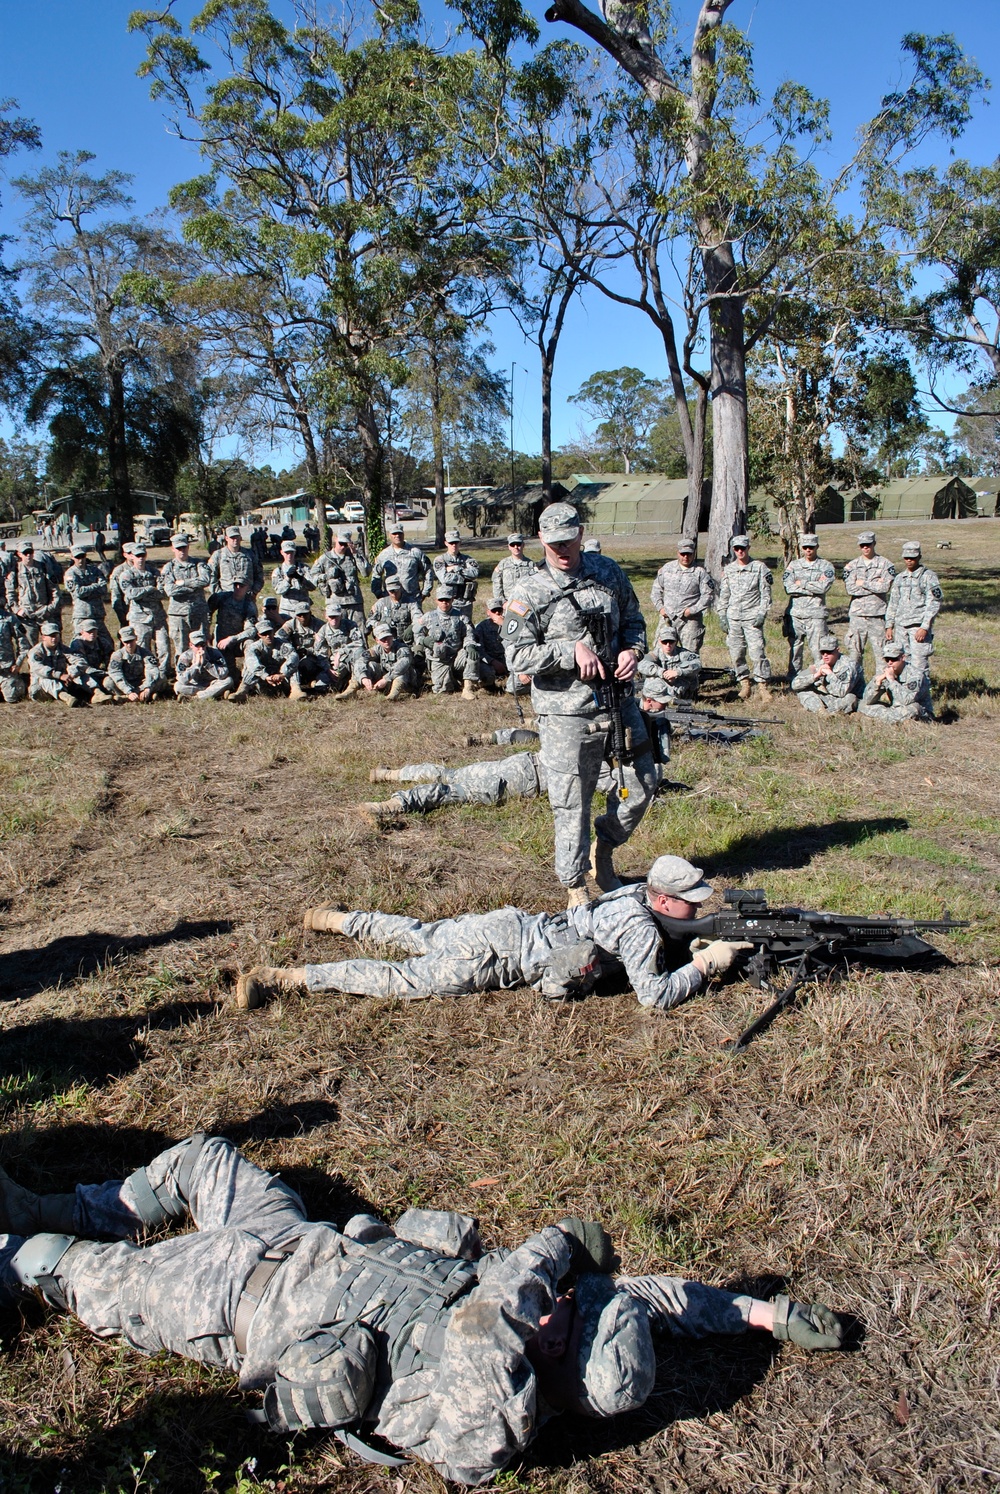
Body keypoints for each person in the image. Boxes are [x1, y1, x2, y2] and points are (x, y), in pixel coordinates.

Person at [0, 1135, 842, 1487]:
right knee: (202, 1159)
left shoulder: (487, 1416)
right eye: (569, 1307)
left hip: (228, 1300)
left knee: (54, 1270)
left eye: (558, 1326)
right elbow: (652, 1298)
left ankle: (30, 1244)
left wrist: (553, 1253)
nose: (556, 1309)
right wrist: (763, 1314)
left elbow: (514, 1296)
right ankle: (58, 1205)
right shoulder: (559, 1326)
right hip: (300, 1239)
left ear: (557, 1373)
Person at [239, 855, 752, 1013]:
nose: (696, 905)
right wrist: (705, 965)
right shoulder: (641, 930)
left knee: (418, 933)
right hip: (491, 960)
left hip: (508, 923)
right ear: (664, 899)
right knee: (398, 978)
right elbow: (655, 997)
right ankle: (285, 977)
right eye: (690, 900)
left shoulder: (631, 894)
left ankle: (334, 919)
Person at [504, 503, 656, 905]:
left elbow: (635, 622)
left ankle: (602, 849)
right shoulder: (528, 592)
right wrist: (569, 651)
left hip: (617, 701)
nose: (562, 550)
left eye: (569, 541)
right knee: (572, 800)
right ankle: (575, 884)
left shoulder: (607, 572)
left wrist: (632, 651)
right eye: (553, 543)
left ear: (580, 532)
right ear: (541, 540)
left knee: (643, 783)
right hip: (566, 712)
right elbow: (516, 657)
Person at [716, 536, 773, 703]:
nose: (740, 551)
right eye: (736, 549)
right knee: (737, 653)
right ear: (733, 550)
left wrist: (762, 613)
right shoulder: (729, 570)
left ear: (748, 548)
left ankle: (762, 686)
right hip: (734, 618)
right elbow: (724, 595)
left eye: (743, 548)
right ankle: (745, 684)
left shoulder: (759, 568)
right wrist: (722, 615)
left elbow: (766, 595)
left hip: (752, 617)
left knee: (757, 652)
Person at [884, 541, 942, 682]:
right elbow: (893, 602)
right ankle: (904, 692)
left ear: (919, 557)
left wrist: (924, 627)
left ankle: (922, 696)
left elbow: (934, 602)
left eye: (913, 558)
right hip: (901, 627)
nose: (909, 561)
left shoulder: (928, 577)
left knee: (919, 664)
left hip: (917, 627)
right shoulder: (900, 578)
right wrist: (889, 625)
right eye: (906, 558)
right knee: (902, 662)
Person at [413, 585, 481, 698]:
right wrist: (424, 640)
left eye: (447, 600)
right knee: (442, 690)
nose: (444, 602)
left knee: (472, 655)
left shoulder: (461, 617)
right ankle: (453, 679)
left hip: (456, 656)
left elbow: (469, 634)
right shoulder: (428, 617)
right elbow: (417, 633)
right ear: (436, 600)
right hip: (438, 658)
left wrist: (470, 645)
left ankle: (467, 688)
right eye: (441, 600)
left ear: (452, 600)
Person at [782, 535, 835, 677]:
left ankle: (820, 679)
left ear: (817, 547)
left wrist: (802, 583)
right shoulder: (794, 565)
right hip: (796, 614)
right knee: (795, 648)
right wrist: (813, 588)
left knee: (818, 649)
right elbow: (788, 587)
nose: (808, 550)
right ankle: (794, 678)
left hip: (816, 615)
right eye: (805, 547)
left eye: (811, 547)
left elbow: (823, 588)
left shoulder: (826, 566)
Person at [843, 531, 895, 674]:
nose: (865, 548)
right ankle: (856, 688)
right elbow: (850, 588)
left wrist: (863, 583)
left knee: (882, 655)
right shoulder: (851, 566)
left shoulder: (885, 564)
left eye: (868, 544)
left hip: (877, 615)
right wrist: (874, 585)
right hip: (857, 616)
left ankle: (882, 688)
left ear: (874, 544)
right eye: (862, 545)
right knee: (854, 655)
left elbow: (885, 587)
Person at [650, 541, 714, 655]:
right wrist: (660, 608)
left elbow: (708, 595)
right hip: (667, 618)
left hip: (690, 620)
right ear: (677, 553)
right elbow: (656, 591)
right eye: (683, 554)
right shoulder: (667, 569)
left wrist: (692, 610)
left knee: (690, 653)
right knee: (660, 651)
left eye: (689, 554)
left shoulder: (700, 572)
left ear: (693, 553)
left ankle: (685, 673)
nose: (686, 557)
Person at [160, 534, 212, 663]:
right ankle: (182, 675)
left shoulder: (199, 563)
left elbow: (205, 580)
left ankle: (202, 672)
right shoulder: (169, 568)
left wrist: (182, 583)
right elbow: (170, 590)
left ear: (188, 547)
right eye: (178, 548)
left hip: (198, 611)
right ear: (173, 549)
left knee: (201, 645)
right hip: (178, 614)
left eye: (184, 547)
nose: (181, 551)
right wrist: (193, 586)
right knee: (181, 647)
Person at [857, 640, 934, 722]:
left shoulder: (915, 675)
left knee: (912, 709)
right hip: (895, 709)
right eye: (887, 659)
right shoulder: (886, 671)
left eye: (893, 659)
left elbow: (906, 700)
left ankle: (884, 718)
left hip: (919, 712)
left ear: (903, 658)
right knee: (862, 705)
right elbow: (867, 700)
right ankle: (890, 717)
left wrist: (891, 680)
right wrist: (877, 683)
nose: (889, 663)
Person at [231, 619, 305, 701]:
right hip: (262, 681)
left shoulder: (284, 644)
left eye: (269, 632)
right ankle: (242, 692)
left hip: (281, 679)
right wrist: (265, 676)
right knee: (250, 667)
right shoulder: (253, 647)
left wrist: (282, 674)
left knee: (293, 665)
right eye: (264, 634)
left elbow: (293, 657)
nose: (268, 636)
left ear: (273, 632)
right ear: (259, 635)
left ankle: (295, 691)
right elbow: (252, 663)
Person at [340, 622, 415, 700]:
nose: (386, 641)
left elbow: (402, 665)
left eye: (388, 637)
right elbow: (360, 661)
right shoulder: (377, 649)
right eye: (383, 639)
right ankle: (350, 691)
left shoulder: (402, 648)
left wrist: (386, 679)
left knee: (401, 672)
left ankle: (393, 695)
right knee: (368, 665)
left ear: (392, 636)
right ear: (377, 640)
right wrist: (363, 678)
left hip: (406, 682)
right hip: (385, 682)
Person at [309, 528, 369, 626]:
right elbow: (313, 577)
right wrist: (327, 576)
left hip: (354, 601)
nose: (342, 547)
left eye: (345, 544)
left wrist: (356, 554)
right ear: (335, 539)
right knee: (338, 633)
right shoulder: (325, 558)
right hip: (334, 603)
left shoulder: (354, 555)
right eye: (340, 543)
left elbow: (365, 572)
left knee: (360, 632)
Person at [790, 634, 861, 714]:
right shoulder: (819, 664)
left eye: (829, 652)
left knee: (851, 698)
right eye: (823, 652)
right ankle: (821, 711)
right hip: (829, 698)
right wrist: (816, 675)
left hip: (846, 699)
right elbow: (794, 684)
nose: (825, 655)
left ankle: (830, 713)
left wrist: (830, 674)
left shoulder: (849, 665)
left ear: (837, 650)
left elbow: (842, 692)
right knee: (803, 691)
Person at [7, 540, 59, 646]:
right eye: (25, 553)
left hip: (44, 613)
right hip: (27, 615)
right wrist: (17, 610)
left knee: (53, 644)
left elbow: (55, 590)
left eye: (30, 552)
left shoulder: (43, 567)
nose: (28, 555)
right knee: (30, 648)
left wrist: (50, 608)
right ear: (19, 554)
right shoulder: (16, 571)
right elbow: (10, 593)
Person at [64, 544, 114, 654]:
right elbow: (78, 592)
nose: (80, 560)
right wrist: (94, 586)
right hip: (82, 615)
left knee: (107, 642)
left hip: (97, 614)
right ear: (72, 557)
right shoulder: (70, 573)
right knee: (79, 643)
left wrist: (88, 589)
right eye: (77, 557)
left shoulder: (94, 570)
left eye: (82, 556)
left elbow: (104, 589)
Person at [636, 623, 702, 707]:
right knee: (650, 680)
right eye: (664, 641)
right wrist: (662, 672)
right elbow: (642, 664)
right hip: (663, 685)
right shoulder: (655, 654)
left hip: (681, 686)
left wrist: (678, 672)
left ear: (676, 641)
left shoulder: (683, 654)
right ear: (660, 641)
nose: (668, 645)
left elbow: (697, 664)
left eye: (671, 641)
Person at [27, 621, 92, 705]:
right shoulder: (36, 652)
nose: (54, 638)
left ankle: (97, 693)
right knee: (45, 679)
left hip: (62, 683)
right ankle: (66, 698)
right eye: (51, 636)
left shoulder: (63, 649)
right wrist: (60, 675)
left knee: (84, 674)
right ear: (43, 637)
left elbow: (80, 661)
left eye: (56, 635)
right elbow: (38, 669)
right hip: (40, 689)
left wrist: (72, 674)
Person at [370, 523, 433, 608]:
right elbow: (376, 574)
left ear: (403, 534)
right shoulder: (384, 555)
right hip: (391, 600)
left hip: (413, 599)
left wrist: (425, 592)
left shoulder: (415, 552)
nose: (397, 536)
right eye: (394, 534)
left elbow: (428, 571)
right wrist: (378, 593)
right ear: (389, 535)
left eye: (399, 533)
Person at [311, 600, 366, 693]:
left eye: (336, 616)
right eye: (331, 617)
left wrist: (341, 652)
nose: (334, 619)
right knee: (320, 687)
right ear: (326, 616)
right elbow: (319, 652)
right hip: (335, 664)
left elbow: (359, 642)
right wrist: (328, 669)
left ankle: (354, 682)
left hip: (350, 658)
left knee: (359, 653)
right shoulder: (323, 630)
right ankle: (342, 683)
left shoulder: (350, 625)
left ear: (340, 615)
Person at [210, 579, 259, 676]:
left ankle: (249, 676)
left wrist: (232, 639)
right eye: (236, 585)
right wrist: (207, 630)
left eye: (241, 586)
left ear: (247, 588)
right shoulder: (222, 597)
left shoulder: (248, 605)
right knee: (226, 673)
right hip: (221, 641)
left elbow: (251, 630)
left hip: (238, 641)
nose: (238, 588)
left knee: (251, 645)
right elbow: (206, 611)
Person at [108, 626, 169, 703]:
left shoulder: (146, 653)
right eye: (126, 642)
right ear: (122, 641)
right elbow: (115, 673)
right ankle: (132, 697)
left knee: (162, 677)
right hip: (126, 682)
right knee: (108, 682)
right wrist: (128, 691)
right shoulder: (117, 655)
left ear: (136, 638)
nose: (129, 645)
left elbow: (152, 670)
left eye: (131, 641)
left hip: (142, 683)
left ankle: (136, 696)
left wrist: (147, 688)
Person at [174, 630, 236, 701]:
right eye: (197, 645)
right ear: (191, 645)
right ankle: (216, 694)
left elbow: (223, 674)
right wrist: (195, 665)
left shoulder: (214, 653)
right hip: (195, 685)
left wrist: (207, 664)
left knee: (228, 680)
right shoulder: (185, 657)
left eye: (203, 645)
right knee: (178, 686)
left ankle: (195, 698)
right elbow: (182, 679)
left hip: (212, 683)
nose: (201, 648)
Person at [432, 529, 479, 619]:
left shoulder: (468, 559)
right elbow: (444, 578)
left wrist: (456, 569)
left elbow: (474, 573)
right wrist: (464, 577)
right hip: (448, 602)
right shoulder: (440, 560)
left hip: (465, 602)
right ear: (446, 543)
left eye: (456, 542)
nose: (454, 545)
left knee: (467, 628)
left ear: (459, 542)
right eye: (451, 543)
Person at [208, 525, 264, 597]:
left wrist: (254, 592)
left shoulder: (250, 554)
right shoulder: (218, 555)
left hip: (247, 597)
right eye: (232, 537)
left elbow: (259, 574)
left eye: (237, 537)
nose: (235, 540)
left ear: (240, 537)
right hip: (226, 597)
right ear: (226, 538)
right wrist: (219, 594)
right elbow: (211, 576)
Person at [271, 539, 318, 623]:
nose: (289, 555)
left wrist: (301, 578)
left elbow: (312, 586)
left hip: (303, 610)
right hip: (287, 611)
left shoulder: (304, 568)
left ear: (295, 552)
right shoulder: (278, 571)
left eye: (291, 552)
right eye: (287, 553)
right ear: (281, 552)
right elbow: (278, 590)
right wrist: (288, 579)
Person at [68, 620, 115, 702]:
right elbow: (82, 666)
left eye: (94, 630)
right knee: (78, 671)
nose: (92, 633)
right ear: (82, 632)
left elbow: (111, 660)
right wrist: (103, 673)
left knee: (110, 681)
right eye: (89, 631)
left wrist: (110, 672)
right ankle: (97, 693)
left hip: (97, 672)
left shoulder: (102, 642)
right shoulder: (77, 644)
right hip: (82, 674)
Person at [369, 576, 420, 643]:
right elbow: (369, 621)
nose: (394, 593)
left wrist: (412, 627)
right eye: (391, 591)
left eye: (396, 590)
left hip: (406, 641)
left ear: (400, 587)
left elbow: (419, 618)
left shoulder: (411, 602)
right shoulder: (381, 603)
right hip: (387, 642)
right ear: (387, 590)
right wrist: (378, 624)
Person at [473, 599, 509, 690]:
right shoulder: (481, 627)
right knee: (488, 675)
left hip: (508, 660)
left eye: (499, 610)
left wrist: (504, 625)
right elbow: (479, 649)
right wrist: (492, 661)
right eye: (494, 611)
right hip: (491, 662)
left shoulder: (509, 624)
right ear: (488, 612)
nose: (497, 613)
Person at [490, 533, 535, 605]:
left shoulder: (531, 565)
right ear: (509, 547)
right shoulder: (503, 564)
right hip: (507, 604)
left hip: (526, 604)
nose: (516, 547)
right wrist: (502, 602)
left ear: (523, 545)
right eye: (512, 545)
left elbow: (535, 586)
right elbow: (497, 584)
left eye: (518, 544)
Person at [0, 593, 26, 702]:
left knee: (11, 697)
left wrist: (18, 664)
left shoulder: (9, 618)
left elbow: (24, 645)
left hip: (7, 668)